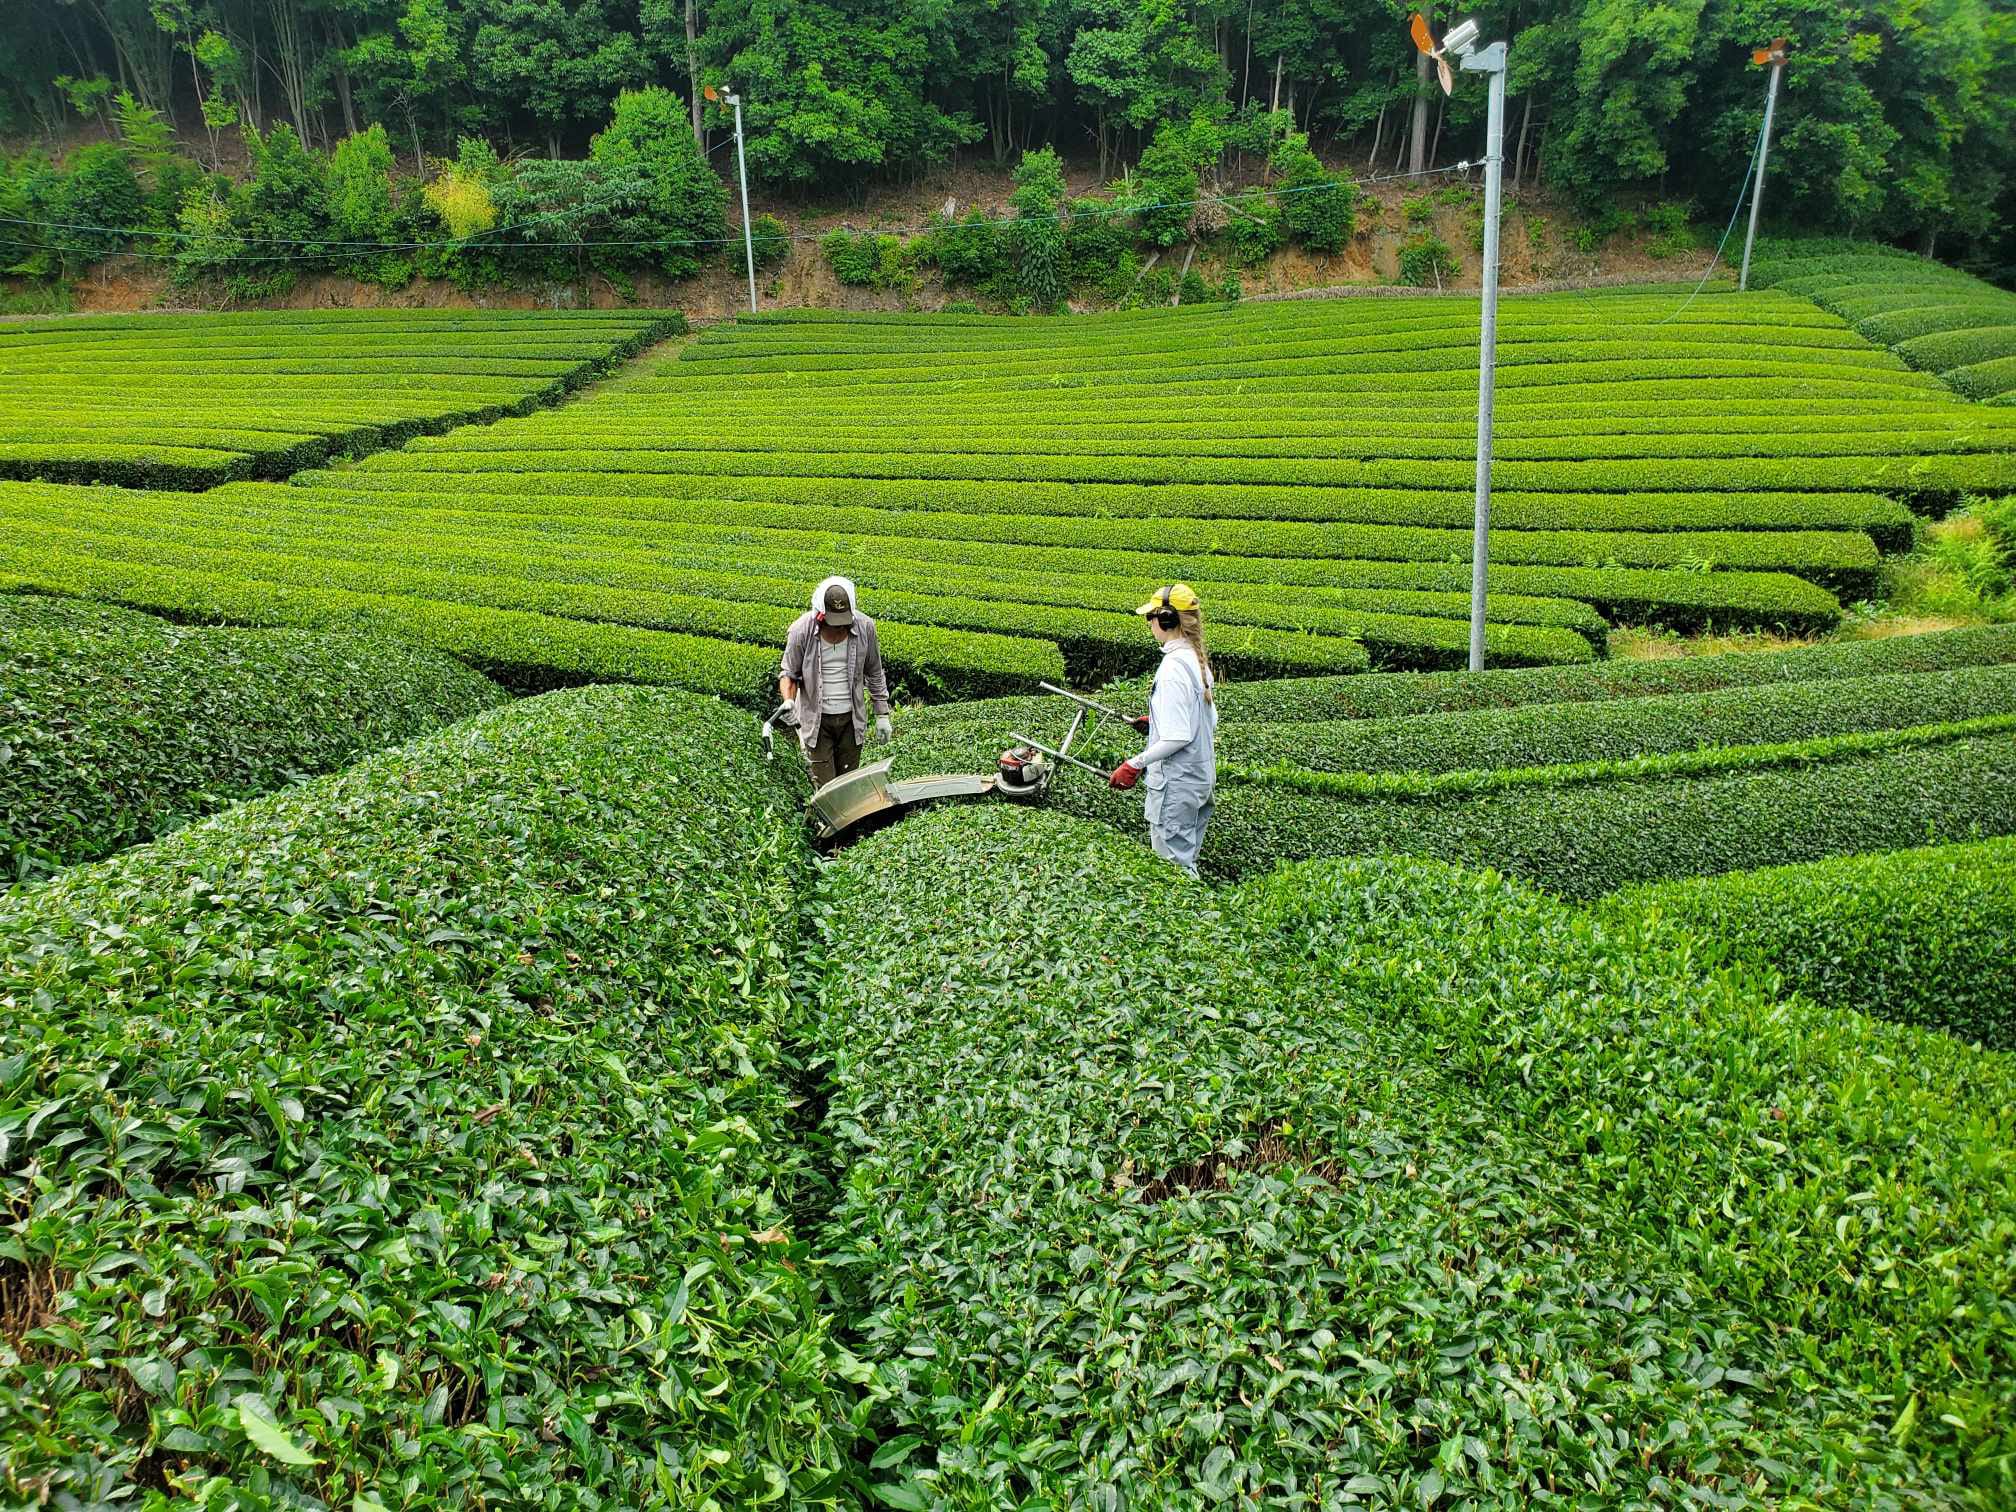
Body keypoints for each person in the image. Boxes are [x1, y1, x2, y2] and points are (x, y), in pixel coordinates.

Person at [1109, 583, 1217, 876]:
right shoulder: (1196, 661)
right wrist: (1156, 723)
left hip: (1176, 787)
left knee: (1174, 872)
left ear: (1166, 620)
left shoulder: (1172, 669)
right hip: (1199, 781)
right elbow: (1205, 720)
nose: (1149, 624)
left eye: (1151, 617)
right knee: (1186, 861)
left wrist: (1135, 763)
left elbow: (1179, 735)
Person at [779, 576, 893, 789]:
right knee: (826, 788)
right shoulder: (801, 630)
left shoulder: (865, 627)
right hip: (817, 722)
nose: (839, 627)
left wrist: (882, 714)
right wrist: (789, 701)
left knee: (847, 785)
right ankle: (824, 823)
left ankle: (847, 823)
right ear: (821, 614)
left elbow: (875, 673)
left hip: (851, 720)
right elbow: (789, 673)